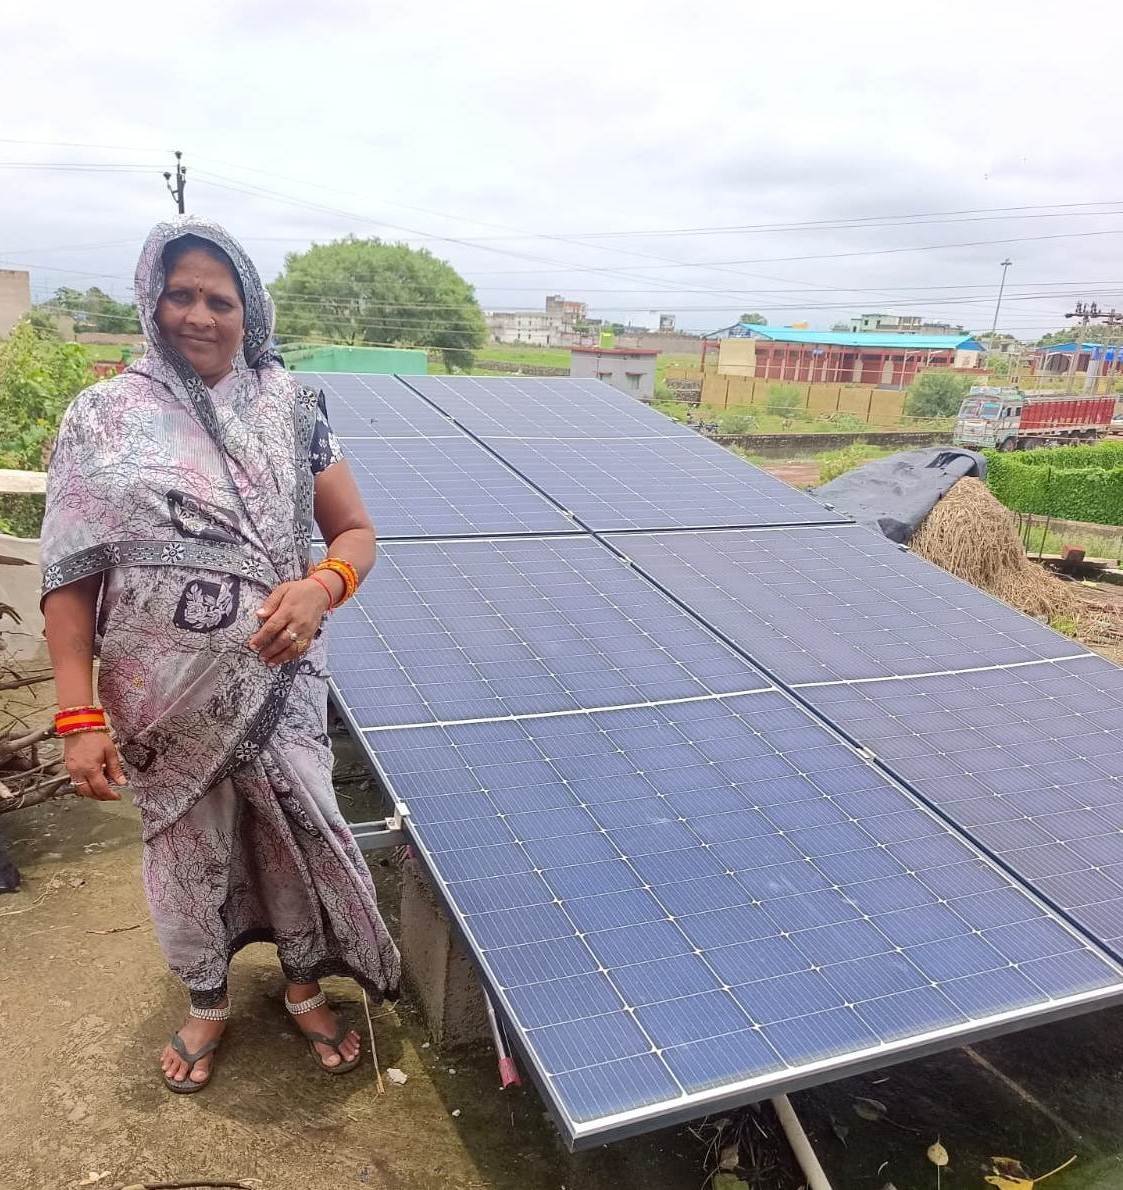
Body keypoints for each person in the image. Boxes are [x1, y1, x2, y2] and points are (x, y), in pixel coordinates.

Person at [40, 217, 400, 1093]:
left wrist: (320, 590)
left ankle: (303, 984)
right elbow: (69, 577)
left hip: (283, 682)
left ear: (250, 311)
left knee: (292, 831)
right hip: (157, 699)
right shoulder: (100, 418)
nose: (198, 315)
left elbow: (353, 531)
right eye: (180, 294)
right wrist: (78, 716)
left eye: (219, 299)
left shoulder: (292, 406)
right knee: (188, 848)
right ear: (150, 300)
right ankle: (205, 1000)